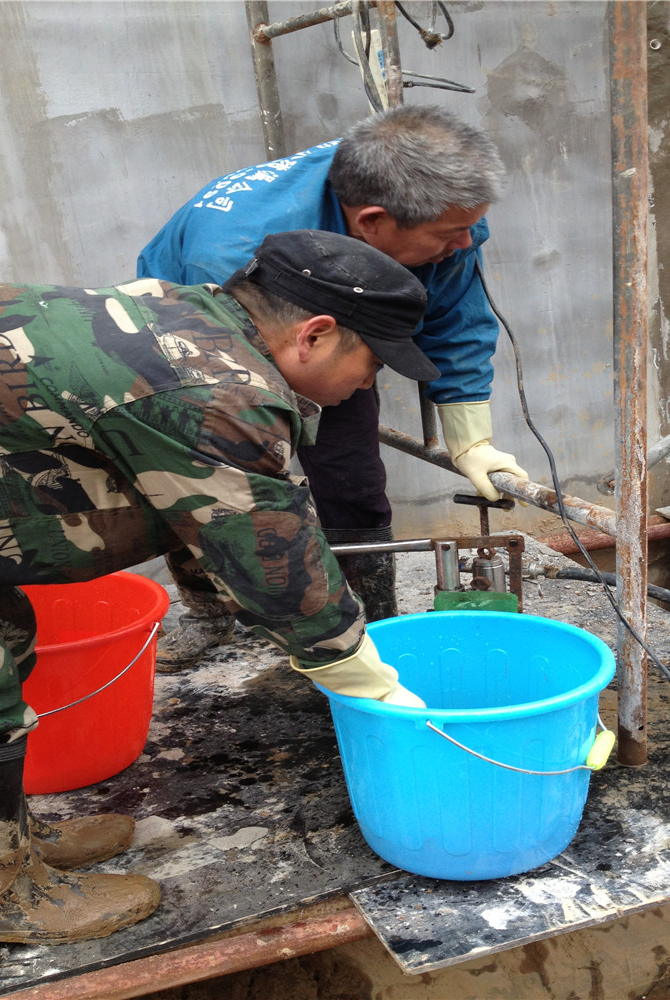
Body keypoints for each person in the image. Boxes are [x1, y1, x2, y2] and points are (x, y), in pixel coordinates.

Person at [0, 229, 435, 951]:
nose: (370, 385)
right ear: (316, 334)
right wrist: (368, 680)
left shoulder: (184, 317)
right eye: (372, 364)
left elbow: (195, 507)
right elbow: (273, 554)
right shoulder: (216, 389)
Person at [137, 104, 529, 668]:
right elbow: (240, 361)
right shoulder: (235, 246)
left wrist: (471, 440)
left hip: (321, 315)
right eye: (450, 233)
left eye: (471, 226)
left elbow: (455, 318)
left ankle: (373, 625)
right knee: (200, 480)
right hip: (197, 332)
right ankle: (210, 609)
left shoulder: (439, 215)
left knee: (351, 474)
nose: (466, 242)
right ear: (371, 222)